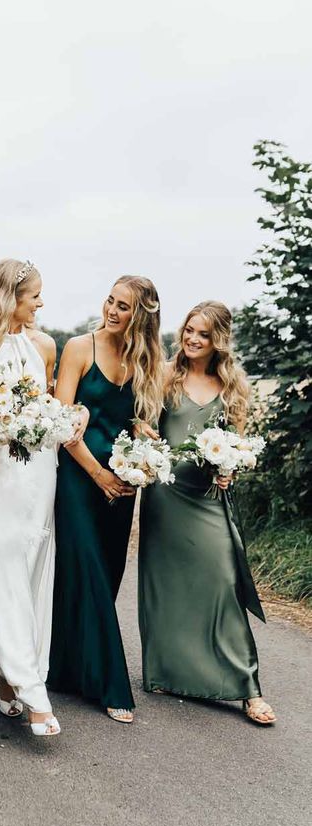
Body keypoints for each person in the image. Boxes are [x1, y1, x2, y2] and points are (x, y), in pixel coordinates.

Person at [0, 258, 85, 736]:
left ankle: (8, 678)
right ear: (10, 297)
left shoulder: (46, 345)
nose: (42, 304)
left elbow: (52, 405)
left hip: (39, 473)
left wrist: (74, 416)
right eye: (35, 296)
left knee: (31, 574)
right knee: (3, 569)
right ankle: (33, 691)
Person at [138, 301, 276, 725]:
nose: (193, 340)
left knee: (222, 582)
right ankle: (168, 671)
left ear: (219, 340)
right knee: (167, 585)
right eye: (189, 331)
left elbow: (238, 441)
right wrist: (144, 436)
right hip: (166, 497)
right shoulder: (165, 375)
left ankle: (248, 689)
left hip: (207, 499)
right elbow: (144, 424)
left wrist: (229, 468)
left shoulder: (232, 385)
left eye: (203, 334)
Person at [48, 275, 164, 722]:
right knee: (90, 571)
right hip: (80, 478)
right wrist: (97, 474)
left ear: (141, 315)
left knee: (106, 575)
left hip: (121, 483)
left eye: (123, 307)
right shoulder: (79, 347)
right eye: (110, 301)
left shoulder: (148, 357)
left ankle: (67, 671)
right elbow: (61, 423)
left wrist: (142, 435)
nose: (112, 311)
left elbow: (136, 416)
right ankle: (110, 684)